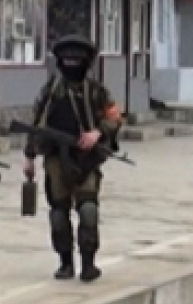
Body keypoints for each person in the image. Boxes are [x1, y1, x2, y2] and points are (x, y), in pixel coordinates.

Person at [23, 36, 123, 283]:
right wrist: (29, 157)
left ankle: (88, 263)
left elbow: (115, 116)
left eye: (77, 60)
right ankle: (65, 262)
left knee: (88, 209)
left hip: (86, 159)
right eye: (67, 59)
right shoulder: (50, 92)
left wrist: (97, 133)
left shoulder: (96, 91)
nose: (71, 64)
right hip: (56, 158)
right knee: (59, 212)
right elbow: (36, 124)